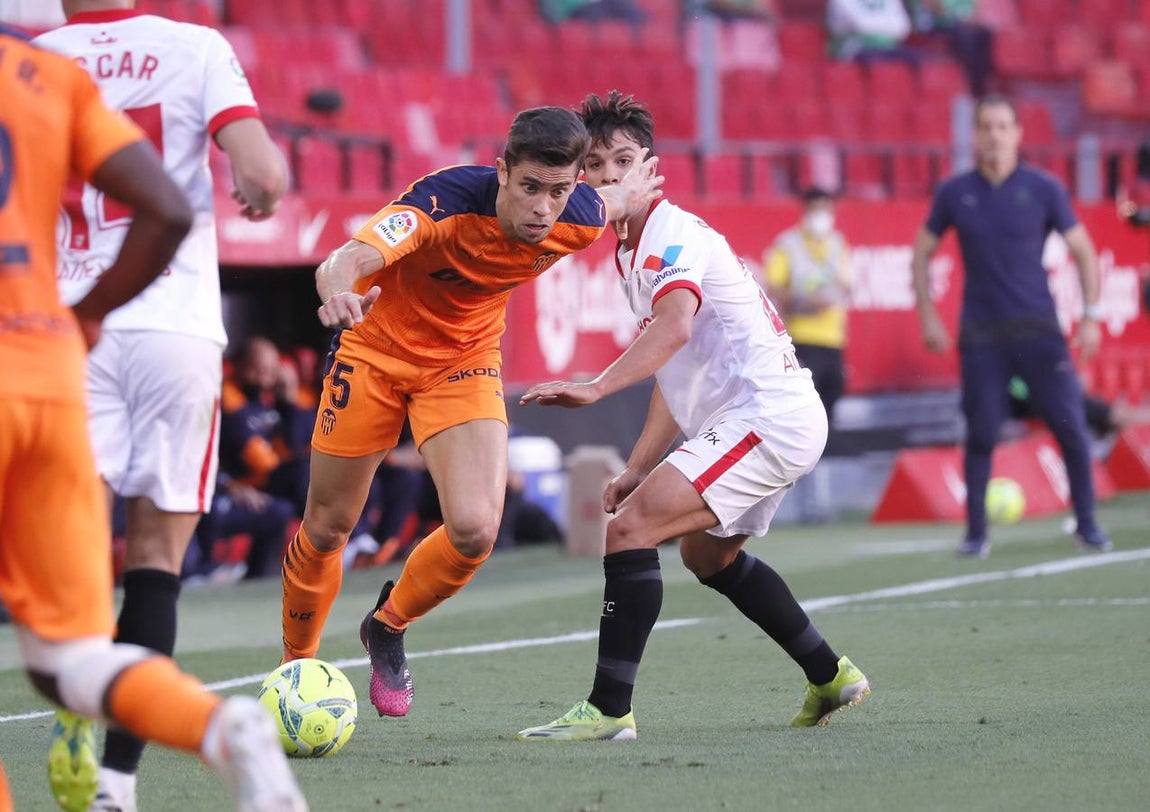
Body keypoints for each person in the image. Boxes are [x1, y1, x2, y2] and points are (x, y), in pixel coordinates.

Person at [0, 23, 304, 812]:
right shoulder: (181, 49)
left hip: (59, 331)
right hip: (141, 325)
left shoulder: (53, 51)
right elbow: (259, 178)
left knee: (63, 588)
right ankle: (125, 777)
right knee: (152, 562)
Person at [279, 105, 662, 719]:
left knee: (477, 529)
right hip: (373, 352)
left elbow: (609, 203)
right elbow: (347, 258)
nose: (543, 208)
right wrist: (339, 291)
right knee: (326, 526)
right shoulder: (444, 201)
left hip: (462, 362)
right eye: (530, 188)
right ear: (502, 171)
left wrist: (625, 190)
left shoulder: (581, 216)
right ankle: (295, 669)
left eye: (558, 191)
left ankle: (387, 625)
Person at [515, 91, 869, 742]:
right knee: (706, 555)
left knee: (629, 531)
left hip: (767, 415)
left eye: (625, 160)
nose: (612, 175)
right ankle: (831, 674)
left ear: (652, 167)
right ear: (583, 177)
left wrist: (595, 387)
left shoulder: (669, 233)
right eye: (597, 164)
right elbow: (674, 378)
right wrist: (638, 466)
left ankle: (608, 709)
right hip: (760, 418)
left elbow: (673, 330)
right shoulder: (632, 249)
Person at [910, 94, 1111, 559]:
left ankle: (1088, 526)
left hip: (1039, 329)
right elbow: (921, 251)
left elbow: (1083, 250)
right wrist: (927, 313)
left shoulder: (1043, 189)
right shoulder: (955, 192)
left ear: (1018, 134)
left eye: (1002, 126)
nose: (994, 134)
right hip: (981, 335)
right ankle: (976, 535)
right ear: (975, 135)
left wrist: (1090, 317)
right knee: (981, 433)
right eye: (985, 126)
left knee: (1071, 427)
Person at [764, 186, 851, 426]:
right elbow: (773, 286)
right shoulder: (788, 244)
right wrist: (802, 301)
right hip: (802, 335)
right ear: (805, 211)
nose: (821, 214)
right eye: (815, 208)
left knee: (833, 393)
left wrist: (830, 297)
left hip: (833, 336)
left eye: (826, 208)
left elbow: (846, 284)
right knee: (804, 405)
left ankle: (826, 450)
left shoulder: (837, 243)